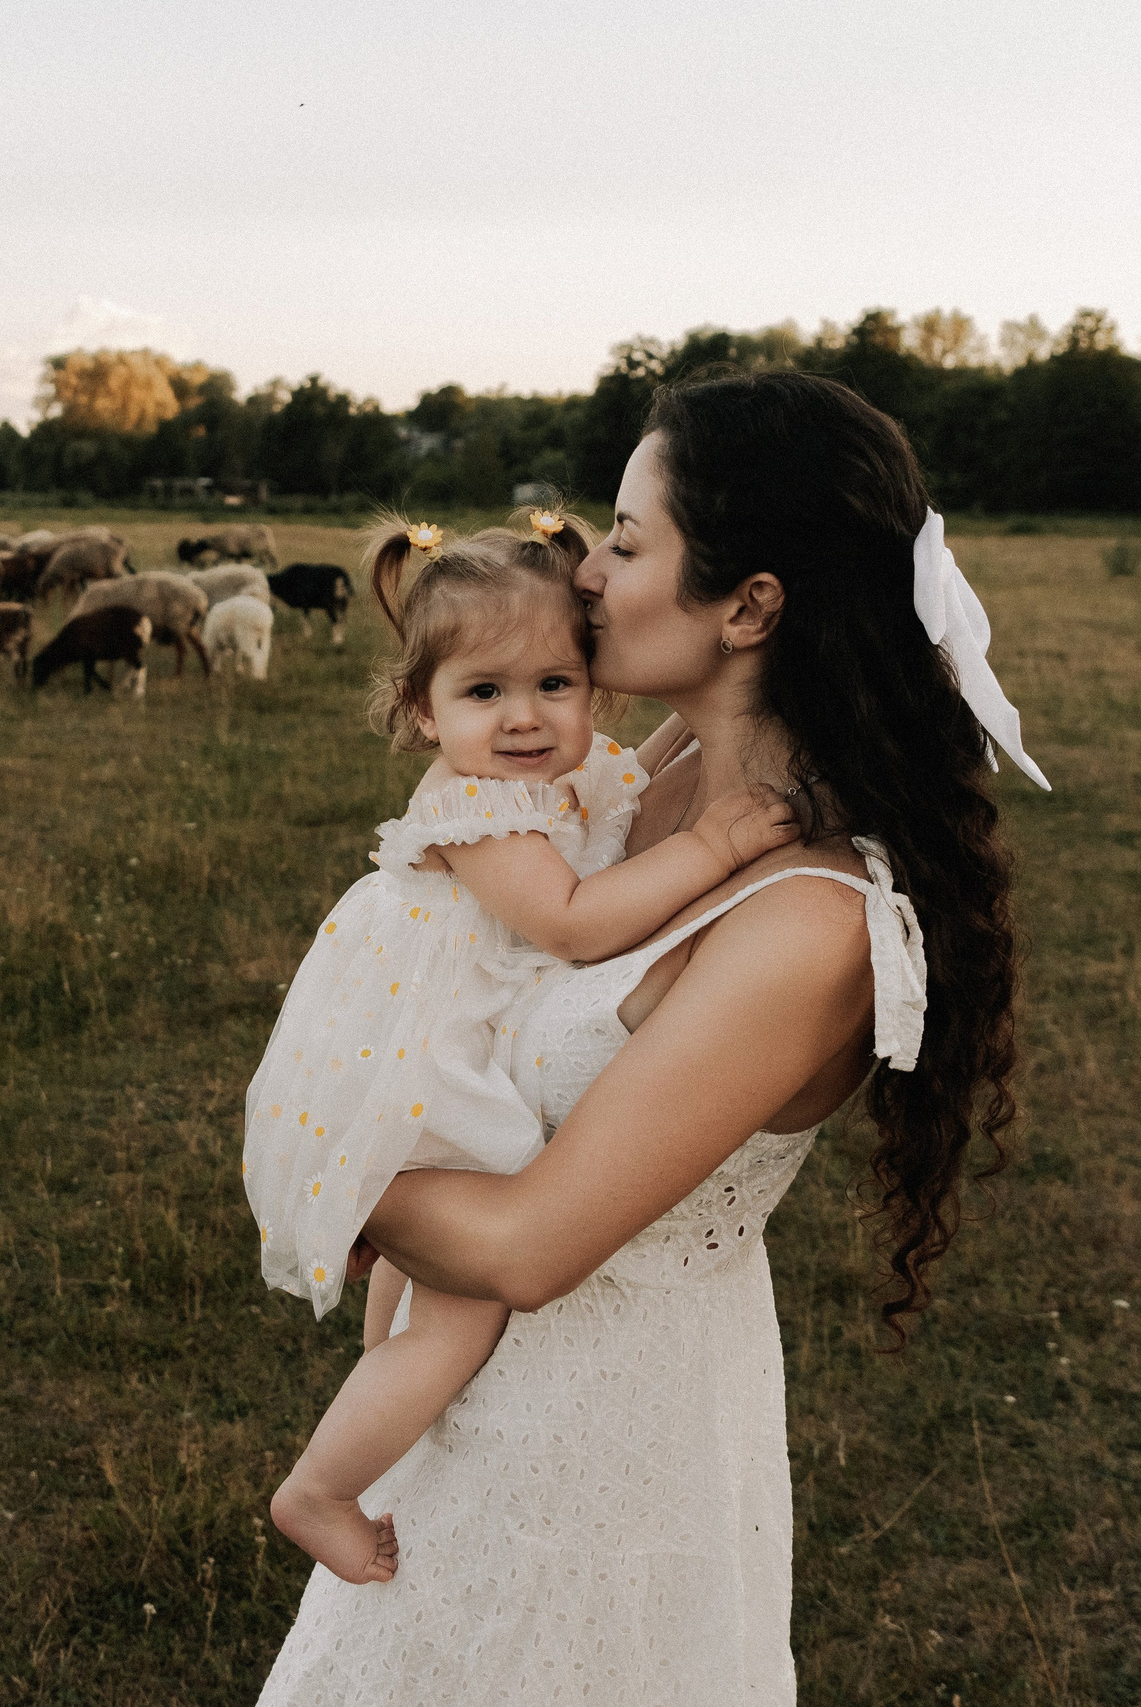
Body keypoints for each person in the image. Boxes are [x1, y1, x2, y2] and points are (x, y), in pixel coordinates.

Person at [257, 370, 1047, 1704]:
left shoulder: (807, 923)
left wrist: (341, 1168)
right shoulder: (658, 773)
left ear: (748, 607)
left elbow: (526, 1247)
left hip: (598, 1460)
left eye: (625, 543)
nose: (584, 574)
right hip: (457, 1422)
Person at [247, 512, 799, 1586]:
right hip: (430, 1059)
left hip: (444, 1045)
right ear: (423, 711)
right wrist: (710, 844)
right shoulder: (477, 807)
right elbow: (575, 923)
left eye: (555, 684)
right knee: (461, 1315)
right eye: (484, 692)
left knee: (413, 1298)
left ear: (592, 689)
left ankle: (381, 1381)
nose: (525, 717)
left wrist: (692, 735)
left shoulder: (556, 773)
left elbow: (629, 773)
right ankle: (319, 1488)